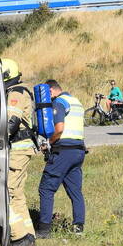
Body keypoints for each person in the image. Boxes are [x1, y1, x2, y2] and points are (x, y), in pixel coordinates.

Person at [37, 79, 86, 237]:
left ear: (50, 91)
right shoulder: (76, 101)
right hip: (78, 151)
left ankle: (44, 230)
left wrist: (48, 143)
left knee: (46, 188)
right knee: (75, 191)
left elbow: (59, 129)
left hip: (63, 151)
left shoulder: (59, 102)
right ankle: (78, 228)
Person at [0, 58, 37, 246]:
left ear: (5, 76)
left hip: (17, 151)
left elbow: (10, 124)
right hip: (23, 150)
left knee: (7, 193)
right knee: (18, 196)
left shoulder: (15, 93)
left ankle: (19, 237)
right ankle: (29, 236)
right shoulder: (20, 91)